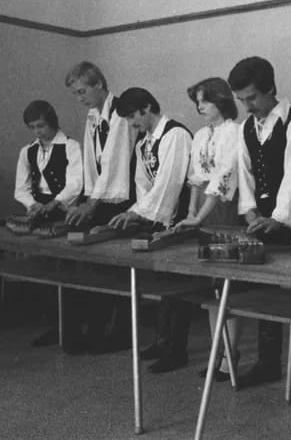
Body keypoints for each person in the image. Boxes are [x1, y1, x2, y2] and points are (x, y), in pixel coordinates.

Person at [230, 56, 291, 405]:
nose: (247, 106)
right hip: (263, 222)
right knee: (265, 292)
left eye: (251, 98)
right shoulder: (246, 128)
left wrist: (279, 217)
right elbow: (245, 175)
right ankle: (268, 363)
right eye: (241, 99)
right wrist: (252, 211)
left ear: (271, 89)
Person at [109, 87, 193, 374]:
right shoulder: (143, 142)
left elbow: (169, 186)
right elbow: (143, 186)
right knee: (165, 284)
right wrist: (136, 212)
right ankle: (162, 340)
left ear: (147, 108)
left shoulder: (176, 135)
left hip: (182, 219)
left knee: (179, 287)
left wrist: (136, 212)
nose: (132, 124)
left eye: (133, 116)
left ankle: (176, 349)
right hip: (159, 219)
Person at [62, 61, 136, 354]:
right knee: (83, 257)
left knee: (113, 268)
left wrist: (91, 205)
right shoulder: (93, 116)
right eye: (75, 94)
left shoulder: (119, 112)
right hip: (101, 196)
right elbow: (92, 165)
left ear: (99, 85)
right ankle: (80, 329)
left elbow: (114, 163)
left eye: (82, 91)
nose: (79, 99)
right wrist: (84, 201)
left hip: (122, 198)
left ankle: (113, 331)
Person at [174, 77, 243, 382]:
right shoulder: (201, 134)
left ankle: (231, 355)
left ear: (222, 101)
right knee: (211, 289)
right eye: (197, 102)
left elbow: (223, 178)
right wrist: (191, 213)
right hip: (202, 212)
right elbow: (196, 179)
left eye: (205, 100)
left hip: (224, 209)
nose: (200, 106)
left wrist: (200, 215)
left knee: (227, 287)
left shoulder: (234, 132)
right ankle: (218, 351)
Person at [14, 100, 83, 347]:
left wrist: (54, 203)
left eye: (41, 126)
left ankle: (72, 328)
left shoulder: (71, 146)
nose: (37, 132)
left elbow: (75, 183)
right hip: (40, 211)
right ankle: (56, 326)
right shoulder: (28, 151)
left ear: (52, 121)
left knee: (68, 271)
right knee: (46, 271)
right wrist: (31, 204)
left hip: (64, 210)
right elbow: (20, 188)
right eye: (32, 127)